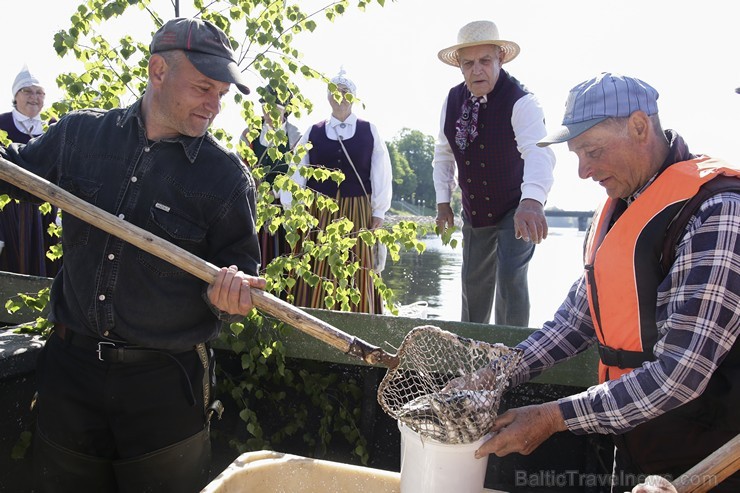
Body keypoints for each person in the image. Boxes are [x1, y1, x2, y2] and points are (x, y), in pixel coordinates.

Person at [0, 18, 267, 493]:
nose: (215, 105)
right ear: (157, 70)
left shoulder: (226, 179)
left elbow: (242, 271)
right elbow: (15, 180)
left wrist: (230, 293)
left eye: (222, 94)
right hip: (70, 374)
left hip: (164, 386)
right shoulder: (80, 136)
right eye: (204, 87)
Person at [456, 73, 740, 492]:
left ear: (640, 127)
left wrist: (553, 417)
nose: (584, 171)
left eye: (592, 150)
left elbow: (681, 374)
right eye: (577, 155)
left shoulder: (717, 211)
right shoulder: (615, 211)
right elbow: (576, 320)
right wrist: (495, 375)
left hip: (707, 460)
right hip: (632, 446)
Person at [432, 20, 556, 326]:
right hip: (475, 207)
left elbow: (539, 152)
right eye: (468, 63)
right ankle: (469, 353)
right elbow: (444, 153)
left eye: (485, 61)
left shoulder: (521, 101)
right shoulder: (452, 99)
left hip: (516, 204)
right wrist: (443, 202)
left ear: (500, 58)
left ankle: (511, 358)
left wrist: (532, 202)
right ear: (459, 67)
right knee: (472, 284)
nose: (477, 70)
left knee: (511, 276)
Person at [280, 69, 392, 314]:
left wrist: (379, 212)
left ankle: (360, 320)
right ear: (327, 96)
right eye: (334, 92)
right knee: (318, 262)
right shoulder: (314, 131)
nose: (339, 96)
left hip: (358, 209)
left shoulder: (369, 130)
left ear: (353, 97)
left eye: (344, 92)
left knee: (358, 261)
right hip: (319, 210)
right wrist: (292, 208)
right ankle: (313, 318)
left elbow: (381, 172)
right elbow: (297, 170)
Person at [0, 65, 60, 277]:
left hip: (45, 205)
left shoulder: (53, 126)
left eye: (39, 93)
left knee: (46, 258)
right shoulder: (2, 123)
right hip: (8, 206)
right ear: (16, 96)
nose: (34, 97)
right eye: (27, 91)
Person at [240, 85, 301, 270]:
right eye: (265, 106)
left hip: (284, 204)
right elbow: (240, 166)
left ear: (285, 110)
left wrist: (277, 192)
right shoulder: (250, 132)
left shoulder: (295, 136)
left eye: (274, 108)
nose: (268, 112)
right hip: (254, 202)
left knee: (280, 252)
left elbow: (297, 172)